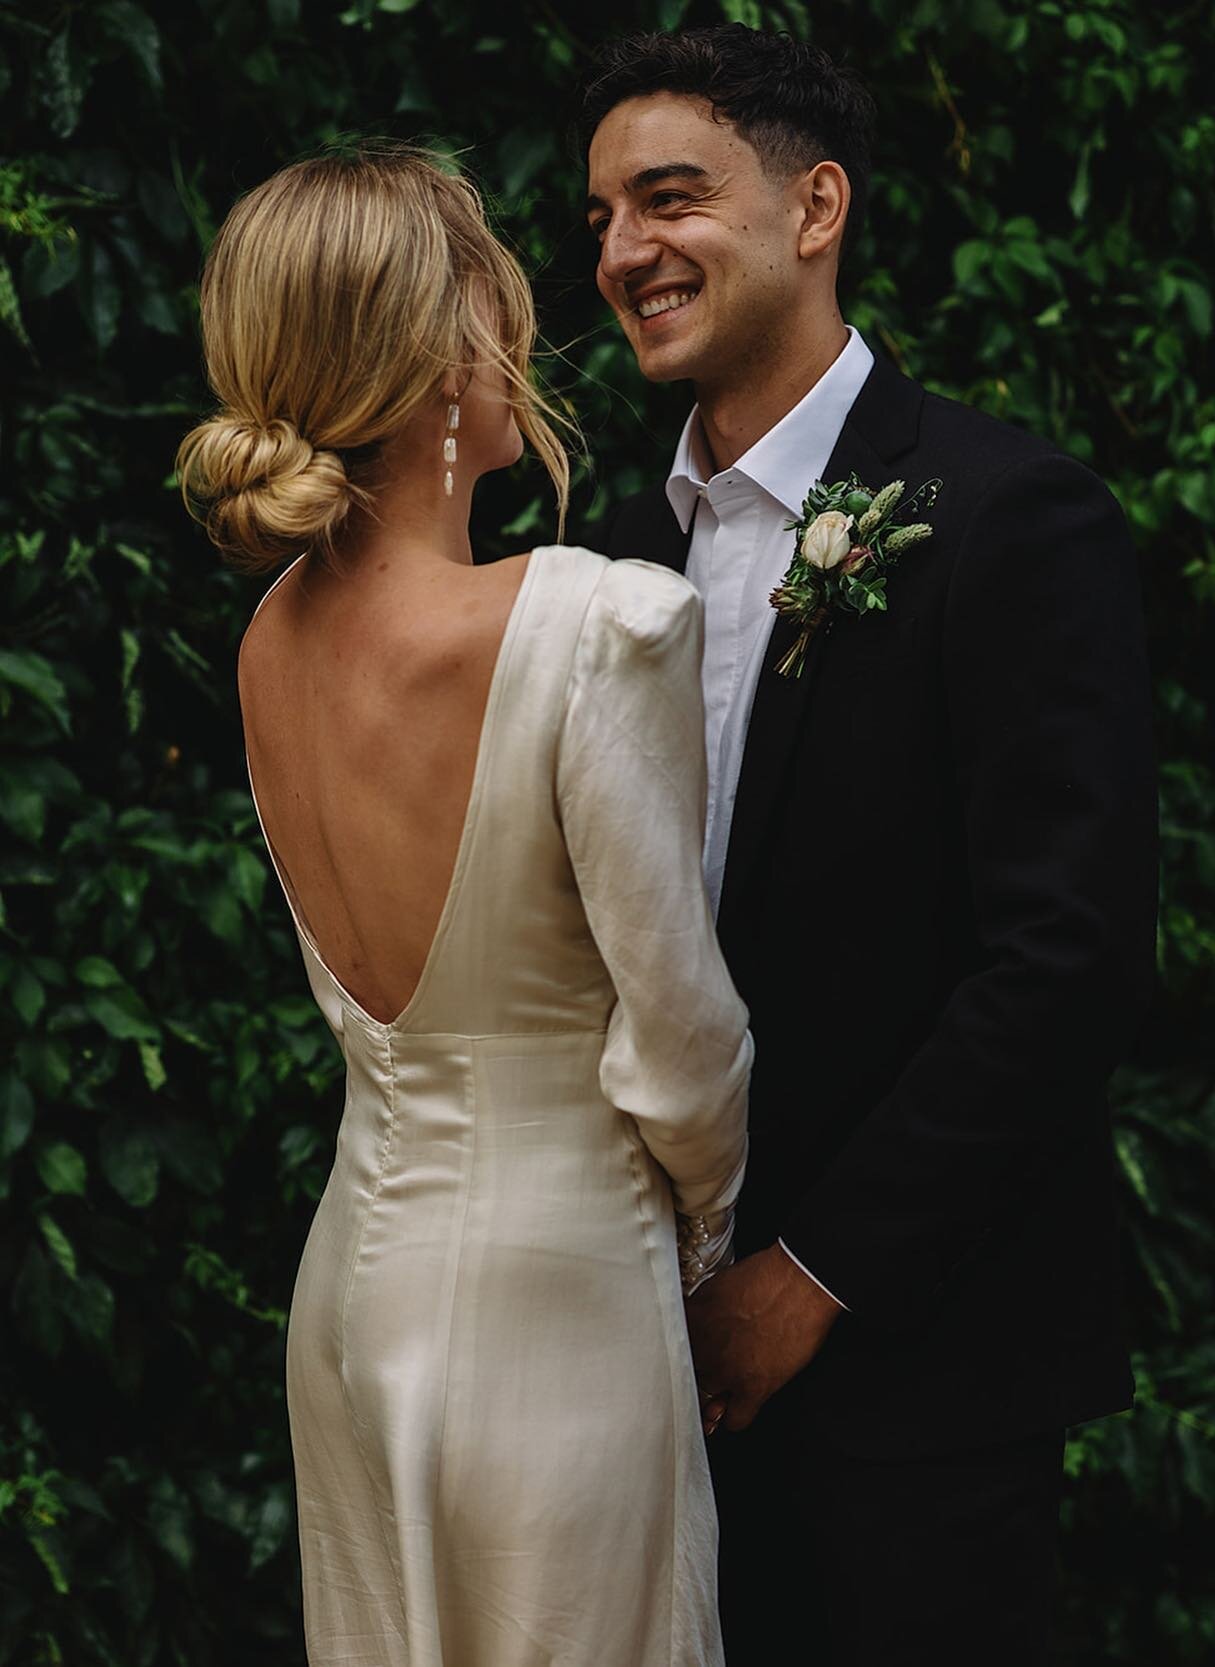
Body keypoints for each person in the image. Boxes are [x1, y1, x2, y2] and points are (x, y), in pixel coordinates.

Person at [580, 24, 1158, 1666]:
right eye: (603, 217)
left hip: (916, 1371)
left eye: (668, 198)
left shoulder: (1002, 513)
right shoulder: (602, 557)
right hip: (641, 1373)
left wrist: (805, 1281)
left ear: (813, 204)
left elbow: (1068, 955)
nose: (624, 251)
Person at [176, 145, 750, 1667]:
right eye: (502, 303)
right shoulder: (597, 620)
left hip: (352, 1310)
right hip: (557, 1311)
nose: (527, 339)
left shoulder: (265, 648)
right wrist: (706, 1248)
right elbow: (681, 1041)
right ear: (443, 362)